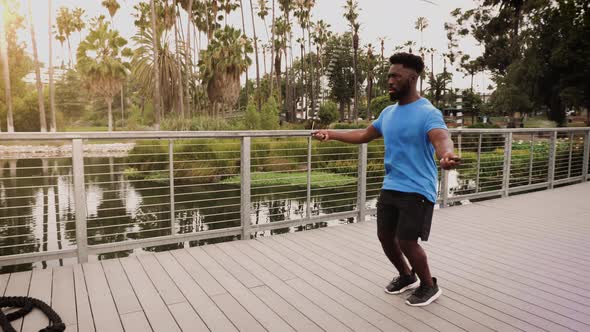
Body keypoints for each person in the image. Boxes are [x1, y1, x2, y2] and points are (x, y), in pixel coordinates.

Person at [313, 52, 459, 306]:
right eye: (389, 75)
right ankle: (406, 275)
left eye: (395, 76)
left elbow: (441, 138)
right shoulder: (388, 113)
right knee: (385, 236)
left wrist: (447, 155)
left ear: (412, 78)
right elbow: (363, 134)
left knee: (406, 240)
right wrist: (331, 134)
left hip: (418, 188)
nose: (390, 80)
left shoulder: (428, 112)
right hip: (392, 185)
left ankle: (428, 285)